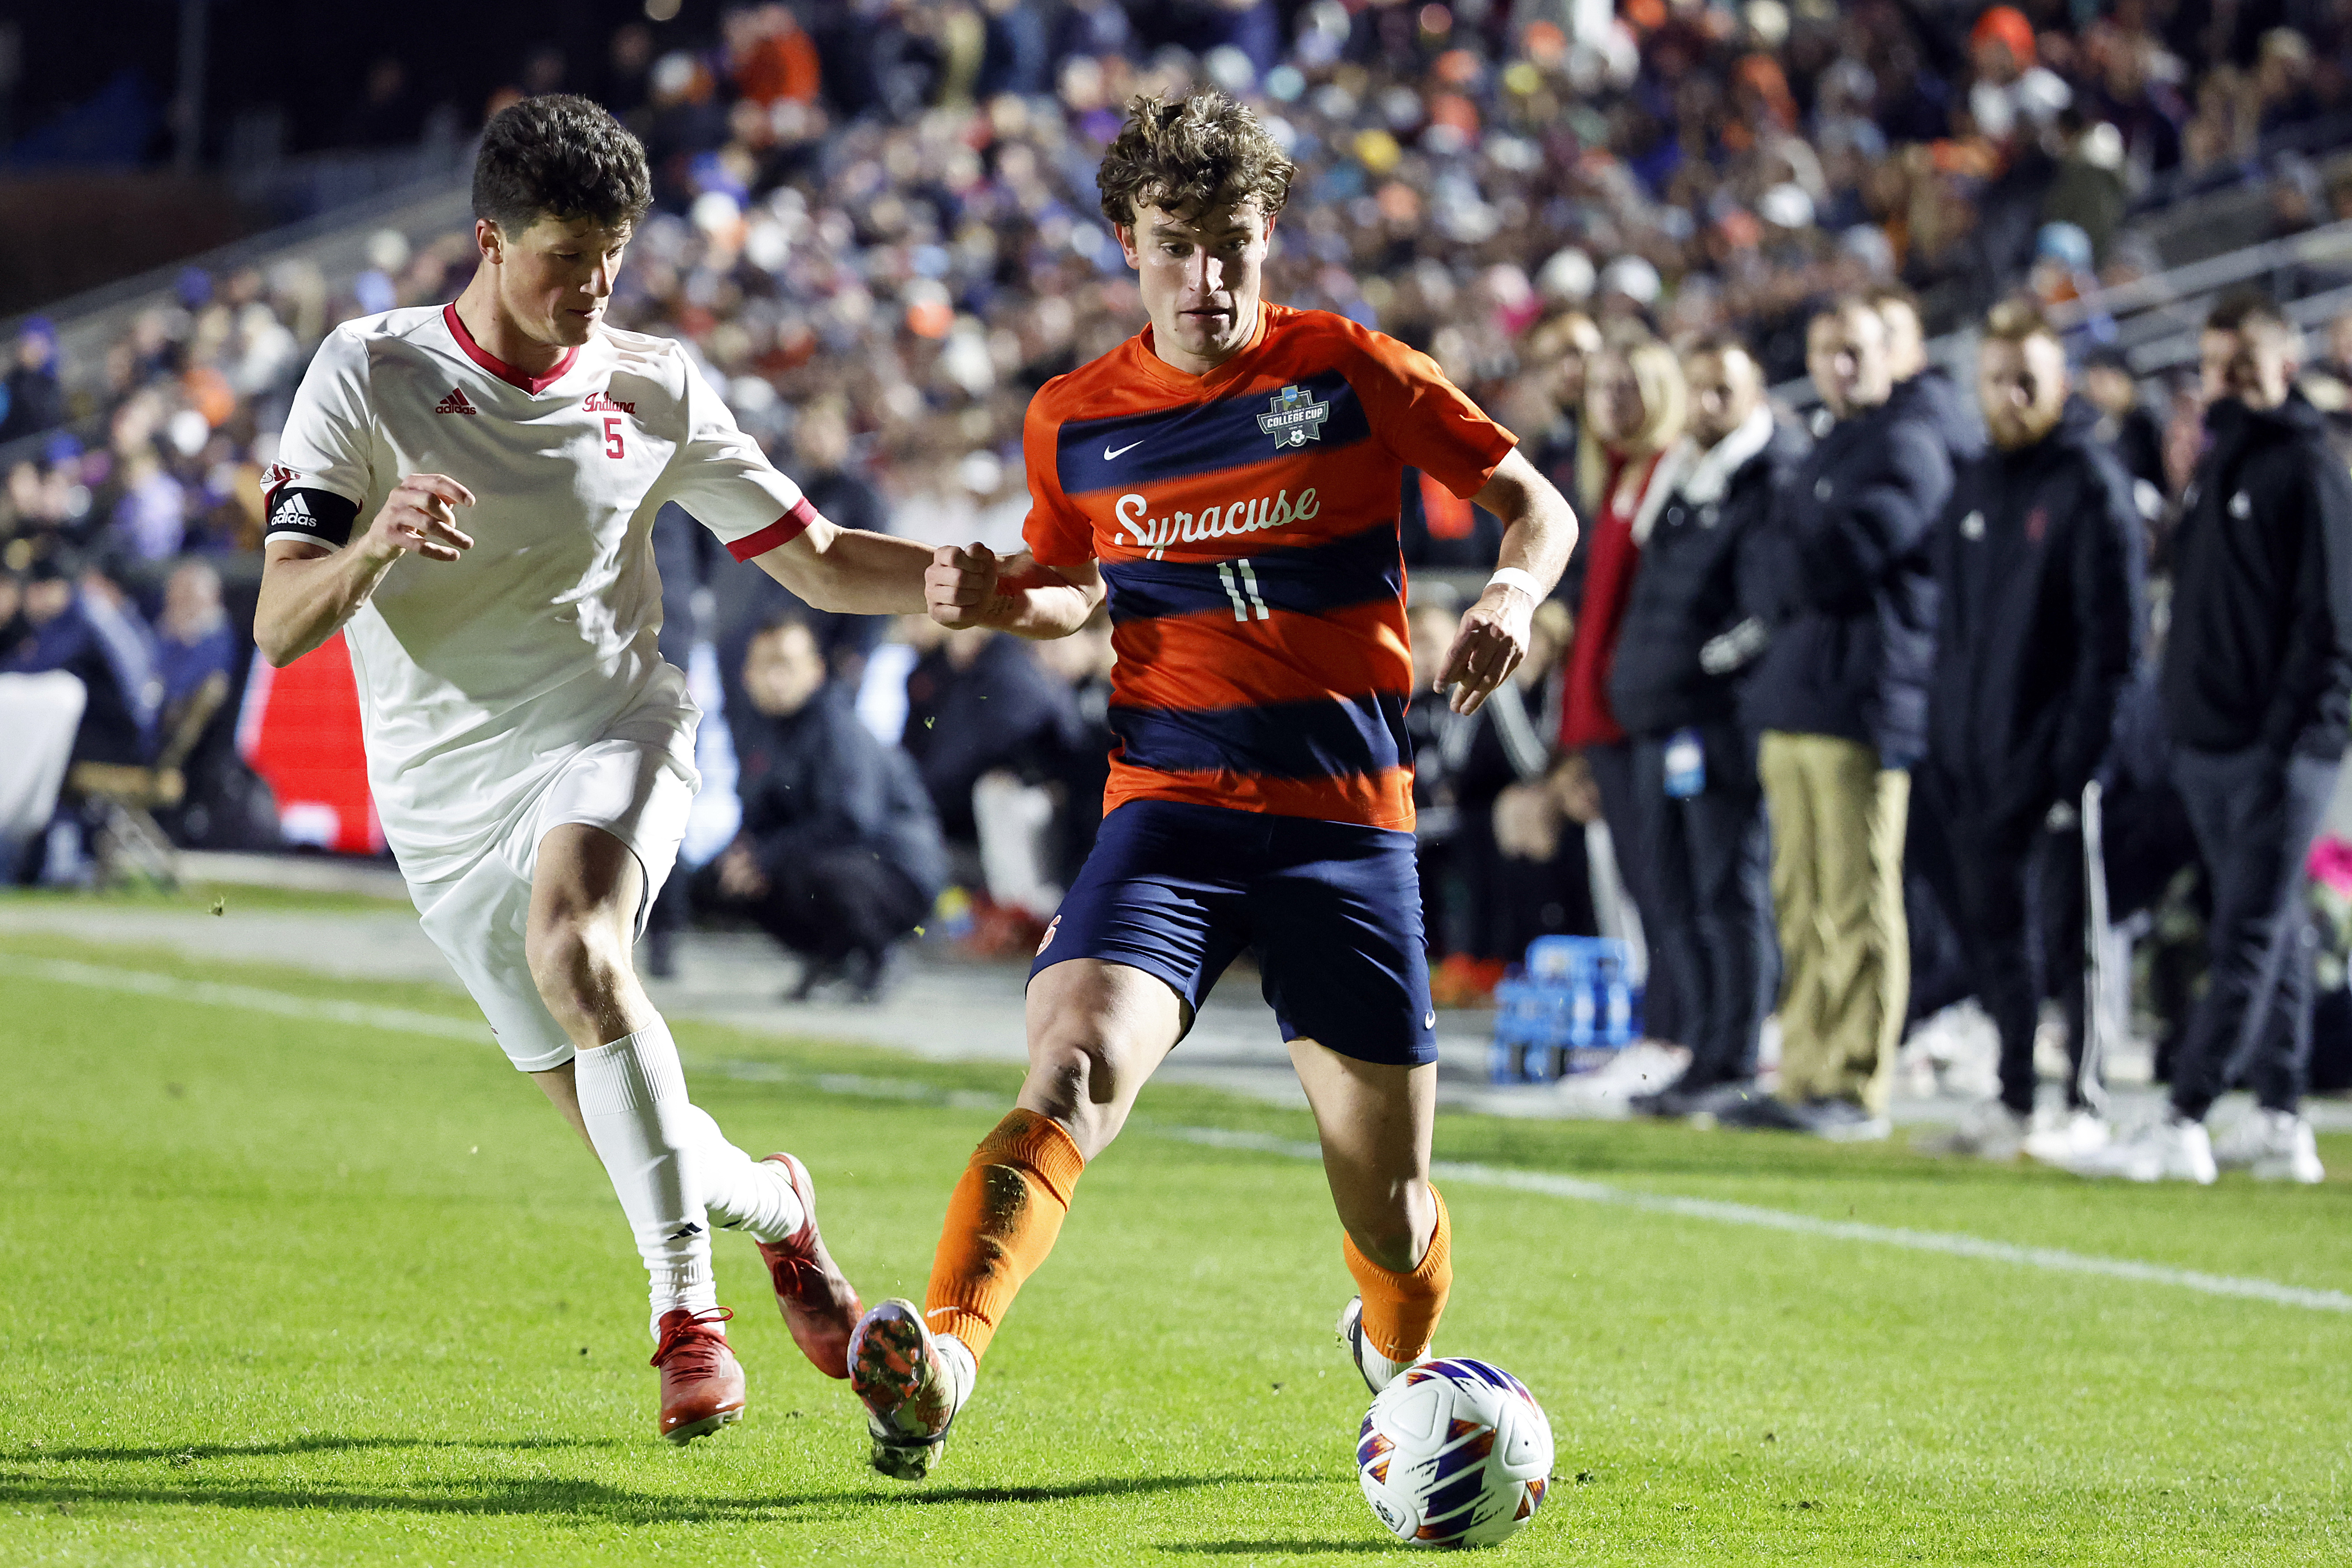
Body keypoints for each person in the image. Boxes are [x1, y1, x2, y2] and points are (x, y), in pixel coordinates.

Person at [843, 89, 1578, 1482]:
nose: (1209, 279)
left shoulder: (1348, 367)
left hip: (1341, 829)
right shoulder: (1072, 418)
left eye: (1233, 243)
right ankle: (940, 1358)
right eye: (1177, 246)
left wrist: (1508, 592)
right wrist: (1003, 601)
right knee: (1068, 1068)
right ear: (1129, 242)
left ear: (1267, 235)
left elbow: (1535, 504)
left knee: (1392, 1206)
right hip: (1166, 815)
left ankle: (1388, 1339)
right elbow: (1073, 591)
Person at [250, 96, 948, 1442]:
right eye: (567, 255)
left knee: (579, 944)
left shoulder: (652, 382)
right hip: (441, 801)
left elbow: (809, 553)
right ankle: (779, 1210)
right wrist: (374, 548)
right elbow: (282, 624)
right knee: (656, 1149)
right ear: (488, 240)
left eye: (612, 255)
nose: (594, 286)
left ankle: (687, 1320)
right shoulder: (368, 371)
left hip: (613, 723)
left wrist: (961, 583)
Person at [2069, 294, 2352, 1184]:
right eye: (2214, 366)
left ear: (2284, 366)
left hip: (2277, 749)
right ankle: (2279, 1116)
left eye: (2242, 367)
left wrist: (2289, 739)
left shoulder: (2310, 469)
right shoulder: (2220, 464)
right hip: (2213, 744)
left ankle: (2186, 1112)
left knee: (2249, 929)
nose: (2223, 384)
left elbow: (2332, 625)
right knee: (2277, 937)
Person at [1910, 303, 2142, 1161]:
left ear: (2061, 382)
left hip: (2051, 762)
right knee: (1993, 935)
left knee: (2072, 932)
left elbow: (2111, 644)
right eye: (1996, 378)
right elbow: (1955, 634)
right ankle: (2013, 1092)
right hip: (1973, 758)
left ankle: (2081, 1099)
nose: (2010, 395)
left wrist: (2074, 760)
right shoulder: (1973, 484)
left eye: (2028, 379)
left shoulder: (2087, 482)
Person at [1726, 297, 1952, 1140]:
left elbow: (1842, 556)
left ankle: (1857, 1083)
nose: (1842, 366)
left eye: (1857, 350)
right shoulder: (1829, 446)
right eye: (1828, 352)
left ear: (1889, 354)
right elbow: (1766, 562)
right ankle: (1808, 1070)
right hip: (1796, 701)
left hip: (1863, 702)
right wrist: (1796, 558)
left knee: (1859, 900)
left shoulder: (1909, 442)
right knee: (1801, 899)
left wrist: (1796, 558)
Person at [1610, 333, 1806, 1115]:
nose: (1708, 405)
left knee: (1730, 890)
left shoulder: (1768, 476)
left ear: (1756, 393)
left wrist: (1702, 667)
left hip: (1717, 723)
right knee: (1678, 891)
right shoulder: (1682, 477)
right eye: (1699, 389)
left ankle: (1734, 1054)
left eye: (1724, 389)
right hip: (1663, 719)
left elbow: (1764, 609)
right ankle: (1700, 1050)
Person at [699, 616, 946, 1000]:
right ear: (746, 675)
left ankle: (878, 955)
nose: (775, 679)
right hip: (832, 860)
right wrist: (742, 857)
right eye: (765, 666)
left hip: (896, 872)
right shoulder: (760, 730)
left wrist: (767, 856)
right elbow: (760, 816)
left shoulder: (835, 726)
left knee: (807, 870)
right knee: (724, 879)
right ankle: (829, 957)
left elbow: (850, 820)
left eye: (786, 665)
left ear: (815, 671)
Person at [1557, 337, 1688, 1043]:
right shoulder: (1611, 479)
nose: (1611, 399)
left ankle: (1677, 1038)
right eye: (1602, 386)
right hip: (1604, 717)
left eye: (1629, 383)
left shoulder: (1666, 474)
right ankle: (1662, 1034)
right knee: (1643, 890)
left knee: (1666, 890)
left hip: (1641, 715)